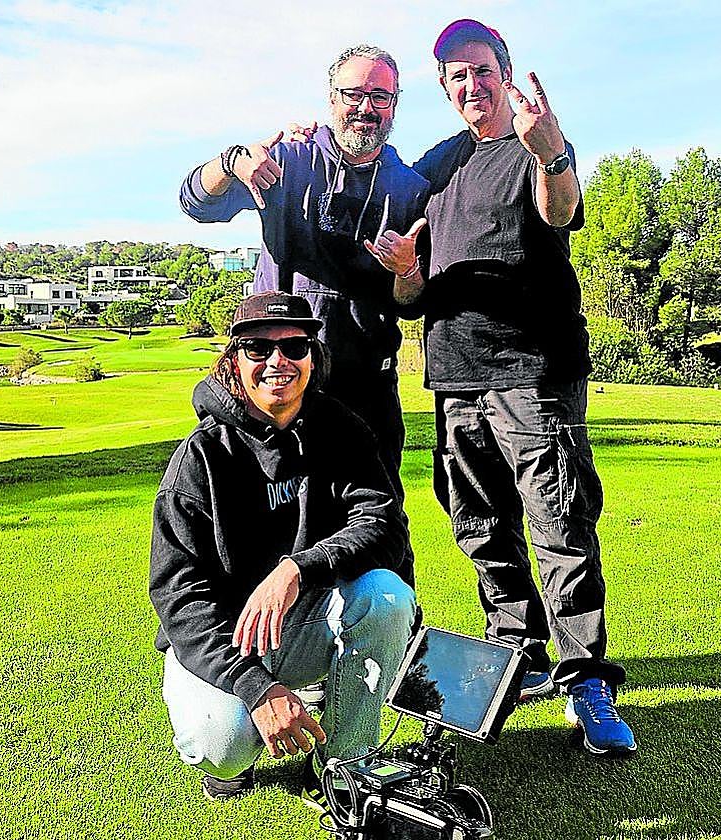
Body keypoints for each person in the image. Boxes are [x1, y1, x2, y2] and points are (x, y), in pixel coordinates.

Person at [367, 19, 636, 756]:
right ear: (444, 88)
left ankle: (585, 680)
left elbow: (559, 209)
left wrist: (551, 152)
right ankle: (518, 653)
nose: (470, 85)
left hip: (533, 376)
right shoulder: (436, 166)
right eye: (456, 75)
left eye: (482, 70)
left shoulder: (534, 144)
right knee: (480, 528)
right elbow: (412, 294)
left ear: (505, 73)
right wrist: (402, 270)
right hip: (453, 377)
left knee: (559, 528)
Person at [148, 291, 417, 805]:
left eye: (295, 346)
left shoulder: (343, 430)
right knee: (222, 743)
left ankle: (344, 765)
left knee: (387, 595)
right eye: (257, 348)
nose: (278, 362)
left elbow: (384, 526)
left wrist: (297, 568)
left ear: (314, 358)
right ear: (233, 361)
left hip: (303, 618)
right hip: (226, 638)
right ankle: (235, 750)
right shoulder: (200, 458)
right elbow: (177, 595)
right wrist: (254, 687)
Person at [178, 44, 429, 590]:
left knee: (379, 529)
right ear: (331, 98)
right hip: (274, 372)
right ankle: (241, 653)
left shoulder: (410, 190)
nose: (366, 107)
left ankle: (392, 655)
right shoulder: (287, 158)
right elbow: (196, 202)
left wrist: (408, 271)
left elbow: (411, 302)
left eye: (380, 96)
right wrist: (232, 164)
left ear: (395, 104)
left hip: (364, 383)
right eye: (354, 94)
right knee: (251, 519)